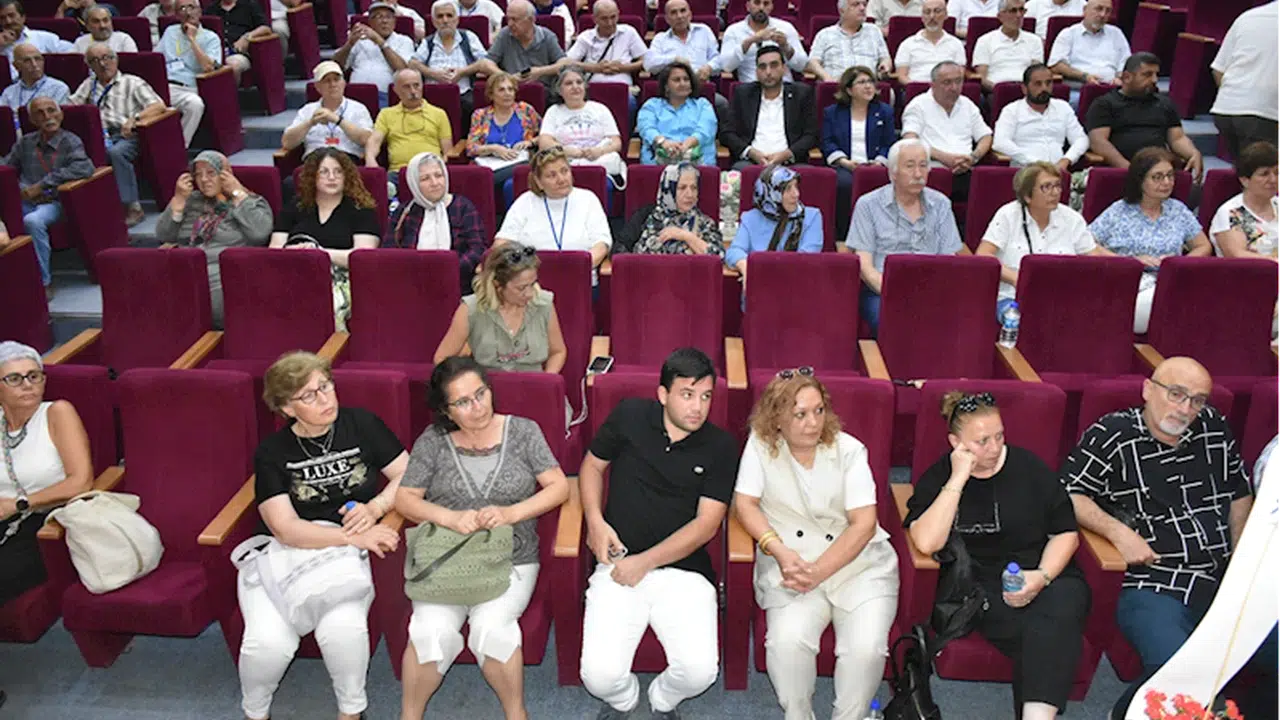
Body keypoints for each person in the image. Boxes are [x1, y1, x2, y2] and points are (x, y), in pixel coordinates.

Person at [1061, 356, 1254, 718]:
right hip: (1153, 583)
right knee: (1181, 676)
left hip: (1219, 578)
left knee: (1267, 658)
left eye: (1197, 400)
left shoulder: (1213, 426)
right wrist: (1118, 532)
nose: (1185, 409)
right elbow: (1068, 493)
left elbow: (1239, 492)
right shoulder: (1114, 433)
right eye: (1176, 394)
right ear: (1148, 390)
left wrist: (1243, 562)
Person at [396, 356, 570, 720]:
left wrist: (510, 513)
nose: (478, 407)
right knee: (429, 633)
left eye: (481, 393)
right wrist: (450, 518)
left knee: (493, 630)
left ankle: (515, 713)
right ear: (446, 410)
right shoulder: (433, 441)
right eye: (463, 402)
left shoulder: (523, 431)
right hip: (445, 555)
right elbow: (405, 500)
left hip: (511, 556)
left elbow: (558, 488)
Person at [906, 390, 1091, 720]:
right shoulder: (940, 476)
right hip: (985, 588)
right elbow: (927, 542)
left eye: (999, 436)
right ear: (956, 443)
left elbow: (1065, 533)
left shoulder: (1030, 469)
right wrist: (958, 478)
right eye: (981, 442)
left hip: (1048, 573)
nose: (994, 449)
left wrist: (1041, 577)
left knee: (1060, 605)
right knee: (1049, 631)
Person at [243, 351, 407, 720]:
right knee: (268, 645)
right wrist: (352, 539)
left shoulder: (362, 424)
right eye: (309, 395)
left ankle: (351, 713)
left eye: (326, 386)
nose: (325, 399)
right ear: (287, 408)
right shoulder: (272, 452)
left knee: (344, 630)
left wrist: (375, 508)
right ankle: (255, 712)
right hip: (285, 553)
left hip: (343, 556)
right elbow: (284, 527)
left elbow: (408, 474)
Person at [578, 347, 738, 720]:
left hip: (685, 572)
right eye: (687, 394)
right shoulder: (630, 416)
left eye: (706, 396)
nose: (698, 407)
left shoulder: (722, 446)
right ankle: (624, 700)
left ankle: (663, 700)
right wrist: (595, 522)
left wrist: (645, 563)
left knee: (700, 673)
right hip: (618, 563)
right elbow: (591, 466)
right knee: (598, 678)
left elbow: (706, 525)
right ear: (663, 394)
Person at [733, 369, 900, 720]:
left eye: (818, 410)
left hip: (858, 565)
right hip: (792, 566)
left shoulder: (849, 450)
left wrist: (818, 572)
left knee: (866, 649)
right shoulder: (761, 445)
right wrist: (778, 550)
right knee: (786, 644)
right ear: (777, 419)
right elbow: (744, 504)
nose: (813, 423)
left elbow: (864, 524)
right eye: (800, 414)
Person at [0, 341, 93, 609]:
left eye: (34, 376)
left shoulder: (56, 413)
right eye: (15, 379)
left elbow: (81, 482)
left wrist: (19, 504)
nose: (27, 385)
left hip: (44, 524)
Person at [1088, 147, 1212, 333]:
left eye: (1170, 176)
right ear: (1140, 180)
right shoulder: (1119, 211)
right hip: (1129, 283)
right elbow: (1087, 244)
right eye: (1157, 177)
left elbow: (1203, 246)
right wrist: (1130, 261)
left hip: (1170, 281)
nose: (1166, 182)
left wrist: (1178, 263)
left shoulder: (1178, 210)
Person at [847, 138, 965, 331]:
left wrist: (931, 295)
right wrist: (898, 293)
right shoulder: (868, 205)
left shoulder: (941, 204)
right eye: (910, 166)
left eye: (923, 166)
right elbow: (865, 267)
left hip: (931, 290)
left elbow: (949, 259)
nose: (918, 174)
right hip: (882, 290)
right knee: (895, 321)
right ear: (893, 172)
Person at [156, 150, 272, 326]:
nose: (204, 179)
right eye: (198, 174)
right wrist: (178, 201)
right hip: (184, 273)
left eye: (211, 173)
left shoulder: (249, 202)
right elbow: (164, 235)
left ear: (226, 174)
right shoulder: (190, 201)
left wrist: (236, 193)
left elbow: (260, 233)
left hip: (223, 279)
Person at [272, 148, 381, 333]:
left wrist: (318, 253)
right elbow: (274, 251)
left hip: (343, 281)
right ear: (312, 176)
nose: (332, 177)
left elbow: (362, 257)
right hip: (295, 275)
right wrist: (297, 252)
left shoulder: (361, 209)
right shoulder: (294, 207)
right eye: (324, 172)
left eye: (338, 172)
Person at [976, 161, 1110, 301]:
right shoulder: (1008, 215)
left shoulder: (1072, 219)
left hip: (1062, 298)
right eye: (1047, 187)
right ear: (1027, 196)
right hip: (1013, 297)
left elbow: (1094, 259)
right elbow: (983, 254)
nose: (1055, 192)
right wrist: (1017, 279)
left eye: (1057, 185)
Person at [432, 242, 569, 374]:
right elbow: (441, 359)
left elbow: (558, 352)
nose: (529, 293)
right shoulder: (471, 309)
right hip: (489, 387)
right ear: (497, 285)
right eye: (521, 288)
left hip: (535, 385)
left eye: (532, 284)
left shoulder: (544, 303)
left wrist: (547, 381)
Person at [69, 43, 164, 227]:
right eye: (95, 60)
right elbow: (71, 106)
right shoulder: (89, 85)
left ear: (116, 59)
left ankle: (133, 207)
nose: (102, 64)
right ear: (89, 66)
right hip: (98, 136)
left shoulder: (132, 82)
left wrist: (135, 119)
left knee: (116, 153)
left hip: (127, 135)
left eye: (107, 58)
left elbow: (158, 106)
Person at [3, 97, 93, 293]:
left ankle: (43, 283)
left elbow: (84, 168)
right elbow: (7, 168)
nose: (47, 116)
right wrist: (19, 189)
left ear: (60, 114)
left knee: (32, 222)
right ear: (32, 120)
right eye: (40, 113)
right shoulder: (26, 142)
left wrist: (43, 185)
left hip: (55, 202)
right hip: (25, 199)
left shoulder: (70, 141)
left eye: (51, 110)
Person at [494, 147, 611, 280]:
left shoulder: (588, 199)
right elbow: (502, 243)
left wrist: (572, 270)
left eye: (564, 171)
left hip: (579, 279)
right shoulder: (525, 202)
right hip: (531, 283)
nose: (561, 179)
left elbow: (602, 245)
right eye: (552, 175)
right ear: (538, 182)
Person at [1085, 52, 1204, 181]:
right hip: (1122, 170)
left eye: (1156, 74)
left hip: (1159, 169)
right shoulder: (1104, 104)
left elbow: (1177, 139)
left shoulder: (1164, 103)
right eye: (1147, 75)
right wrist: (1129, 170)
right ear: (1127, 77)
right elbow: (1099, 142)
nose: (1154, 80)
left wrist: (1193, 153)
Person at [384, 152, 489, 293]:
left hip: (458, 285)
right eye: (425, 178)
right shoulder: (404, 211)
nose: (434, 183)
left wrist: (445, 270)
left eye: (438, 175)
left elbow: (478, 249)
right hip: (411, 285)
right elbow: (389, 252)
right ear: (414, 183)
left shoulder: (462, 206)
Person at [822, 65, 896, 241]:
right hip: (845, 165)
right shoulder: (833, 113)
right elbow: (827, 142)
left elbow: (889, 143)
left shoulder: (884, 111)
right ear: (849, 90)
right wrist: (844, 161)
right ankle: (844, 235)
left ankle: (881, 235)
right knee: (844, 184)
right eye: (862, 82)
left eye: (870, 81)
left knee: (884, 183)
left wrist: (879, 162)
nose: (868, 86)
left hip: (876, 165)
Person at [901, 61, 993, 200]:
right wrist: (945, 158)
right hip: (931, 172)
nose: (954, 87)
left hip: (965, 170)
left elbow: (986, 136)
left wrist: (973, 157)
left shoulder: (967, 105)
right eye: (947, 82)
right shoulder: (918, 105)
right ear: (933, 84)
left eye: (958, 81)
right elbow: (910, 140)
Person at [721, 45, 820, 171]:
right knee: (741, 170)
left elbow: (811, 135)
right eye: (762, 67)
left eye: (774, 65)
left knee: (806, 173)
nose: (768, 72)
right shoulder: (743, 94)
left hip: (790, 163)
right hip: (752, 163)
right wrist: (750, 152)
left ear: (784, 68)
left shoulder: (801, 94)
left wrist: (787, 154)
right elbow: (727, 133)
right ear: (756, 72)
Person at [726, 165, 823, 280]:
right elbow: (734, 251)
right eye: (788, 189)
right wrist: (746, 268)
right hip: (758, 282)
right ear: (771, 193)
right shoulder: (751, 218)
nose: (796, 194)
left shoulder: (812, 217)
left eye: (796, 186)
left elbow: (807, 259)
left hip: (797, 282)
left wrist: (764, 272)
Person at [1209, 1, 1278, 161]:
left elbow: (1218, 69)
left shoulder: (1248, 16)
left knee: (1247, 171)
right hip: (1265, 114)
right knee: (1267, 171)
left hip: (1227, 109)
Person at [536, 65, 626, 187]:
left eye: (579, 82)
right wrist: (567, 151)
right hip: (566, 163)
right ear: (559, 90)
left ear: (585, 86)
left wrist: (599, 151)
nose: (575, 87)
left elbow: (616, 142)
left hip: (598, 162)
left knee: (605, 185)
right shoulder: (553, 111)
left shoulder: (600, 109)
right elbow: (544, 143)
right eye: (569, 83)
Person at [992, 63, 1088, 168]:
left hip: (1057, 171)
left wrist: (1067, 159)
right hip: (1025, 171)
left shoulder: (1063, 107)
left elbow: (1081, 139)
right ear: (1024, 88)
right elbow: (1000, 143)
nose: (1044, 88)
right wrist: (1033, 163)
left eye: (1048, 83)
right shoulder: (1011, 110)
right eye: (1038, 84)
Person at [366, 68, 453, 183]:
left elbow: (447, 151)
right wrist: (370, 158)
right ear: (396, 90)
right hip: (398, 173)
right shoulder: (386, 114)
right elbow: (374, 141)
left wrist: (438, 169)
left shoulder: (439, 114)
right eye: (406, 87)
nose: (413, 91)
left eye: (416, 85)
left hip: (429, 172)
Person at [616, 162, 724, 256]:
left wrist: (686, 236)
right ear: (668, 189)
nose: (690, 194)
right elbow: (619, 251)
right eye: (682, 188)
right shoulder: (647, 216)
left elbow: (718, 256)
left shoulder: (704, 222)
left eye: (694, 188)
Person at [465, 71, 541, 203]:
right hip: (491, 164)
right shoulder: (480, 115)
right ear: (491, 94)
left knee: (510, 184)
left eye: (510, 89)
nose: (507, 93)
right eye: (501, 90)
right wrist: (494, 148)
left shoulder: (525, 110)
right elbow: (471, 148)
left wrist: (531, 142)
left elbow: (546, 135)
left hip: (521, 163)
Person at [281, 61, 375, 166]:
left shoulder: (358, 108)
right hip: (314, 161)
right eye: (327, 81)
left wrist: (337, 120)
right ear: (317, 87)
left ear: (344, 83)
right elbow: (287, 143)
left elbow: (367, 140)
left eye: (336, 79)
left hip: (346, 160)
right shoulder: (307, 110)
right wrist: (310, 123)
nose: (333, 84)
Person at [409, 0, 489, 123]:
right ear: (434, 22)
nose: (445, 20)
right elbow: (412, 63)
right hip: (433, 96)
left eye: (449, 15)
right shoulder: (428, 42)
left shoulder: (468, 37)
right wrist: (433, 74)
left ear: (457, 20)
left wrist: (462, 72)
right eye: (440, 16)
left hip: (463, 95)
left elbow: (485, 62)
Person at [565, 0, 646, 114]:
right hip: (592, 89)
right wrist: (595, 68)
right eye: (604, 18)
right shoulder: (586, 37)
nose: (610, 23)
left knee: (630, 104)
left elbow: (646, 61)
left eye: (613, 17)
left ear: (618, 14)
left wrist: (623, 68)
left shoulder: (629, 32)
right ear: (594, 19)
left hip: (623, 88)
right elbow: (567, 62)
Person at [160, 0, 221, 146]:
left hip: (188, 88)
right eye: (182, 8)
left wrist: (192, 39)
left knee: (195, 105)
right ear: (176, 15)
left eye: (191, 7)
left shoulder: (210, 37)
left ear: (200, 11)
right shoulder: (170, 32)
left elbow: (208, 67)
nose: (188, 12)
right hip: (164, 86)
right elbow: (155, 59)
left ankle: (179, 148)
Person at [636, 60, 717, 167]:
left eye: (686, 79)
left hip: (697, 165)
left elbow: (705, 130)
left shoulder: (703, 105)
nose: (683, 83)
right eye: (676, 80)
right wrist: (663, 143)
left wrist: (687, 144)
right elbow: (646, 128)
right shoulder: (652, 105)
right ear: (666, 86)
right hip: (658, 165)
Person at [480, 0, 565, 99]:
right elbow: (486, 64)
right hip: (511, 92)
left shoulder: (547, 36)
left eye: (515, 19)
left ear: (531, 20)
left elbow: (565, 63)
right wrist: (508, 77)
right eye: (508, 19)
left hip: (543, 93)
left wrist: (540, 71)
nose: (510, 24)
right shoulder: (504, 34)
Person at [1210, 141, 1280, 260]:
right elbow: (1237, 256)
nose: (1273, 180)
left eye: (1277, 173)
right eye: (1264, 174)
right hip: (1254, 271)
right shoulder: (1230, 213)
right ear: (1245, 180)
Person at [335, 1, 413, 108]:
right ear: (370, 22)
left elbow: (403, 70)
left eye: (388, 17)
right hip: (354, 95)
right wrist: (349, 44)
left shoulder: (404, 41)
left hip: (385, 96)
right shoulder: (359, 40)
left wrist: (380, 42)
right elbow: (336, 65)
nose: (384, 21)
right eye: (379, 17)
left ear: (394, 22)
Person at [719, 0, 808, 83]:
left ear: (771, 7)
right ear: (748, 6)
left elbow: (801, 65)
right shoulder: (733, 31)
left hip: (784, 85)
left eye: (766, 3)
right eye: (757, 3)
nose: (761, 8)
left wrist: (786, 46)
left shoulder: (786, 28)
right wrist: (749, 41)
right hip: (751, 86)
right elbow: (727, 66)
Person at [805, 0, 892, 82]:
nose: (862, 8)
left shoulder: (874, 31)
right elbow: (813, 62)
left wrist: (885, 65)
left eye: (864, 4)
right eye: (856, 4)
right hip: (837, 84)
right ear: (842, 11)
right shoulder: (825, 34)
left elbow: (885, 58)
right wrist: (826, 77)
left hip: (867, 85)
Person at [1047, 0, 1128, 87]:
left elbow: (1126, 62)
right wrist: (1084, 77)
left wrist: (1120, 77)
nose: (1103, 15)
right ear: (1085, 10)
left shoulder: (1116, 34)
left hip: (1110, 89)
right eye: (1099, 9)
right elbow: (1056, 65)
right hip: (1078, 89)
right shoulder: (1068, 34)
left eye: (1108, 11)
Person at [643, 0, 720, 89]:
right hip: (672, 90)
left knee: (720, 99)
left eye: (683, 11)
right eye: (673, 12)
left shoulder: (704, 31)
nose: (679, 16)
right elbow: (649, 64)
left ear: (690, 15)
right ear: (667, 19)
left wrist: (709, 67)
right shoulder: (660, 39)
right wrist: (674, 60)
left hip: (700, 86)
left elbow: (718, 59)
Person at [972, 0, 1043, 90]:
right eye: (1013, 11)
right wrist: (999, 90)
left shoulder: (1035, 40)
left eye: (1021, 10)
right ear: (1000, 16)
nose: (1018, 15)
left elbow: (1036, 74)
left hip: (1027, 91)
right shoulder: (985, 41)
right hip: (995, 90)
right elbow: (982, 78)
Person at [893, 0, 964, 84]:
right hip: (916, 88)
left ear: (946, 15)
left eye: (937, 11)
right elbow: (901, 76)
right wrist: (916, 87)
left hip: (946, 89)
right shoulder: (907, 44)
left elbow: (960, 75)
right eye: (927, 12)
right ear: (922, 17)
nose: (932, 16)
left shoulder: (956, 44)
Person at [0, 0, 74, 80]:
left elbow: (75, 52)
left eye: (11, 16)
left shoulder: (43, 38)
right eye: (2, 18)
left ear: (23, 17)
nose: (8, 21)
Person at [204, 0, 272, 83]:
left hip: (238, 53)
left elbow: (266, 28)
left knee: (232, 65)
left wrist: (246, 37)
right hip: (216, 52)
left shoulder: (249, 5)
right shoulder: (211, 9)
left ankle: (229, 91)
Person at [0, 44, 69, 110]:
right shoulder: (9, 92)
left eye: (37, 59)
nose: (34, 64)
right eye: (27, 61)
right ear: (16, 66)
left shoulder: (59, 88)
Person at [71, 5, 137, 53]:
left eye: (105, 20)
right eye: (96, 21)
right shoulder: (80, 42)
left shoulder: (124, 39)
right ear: (87, 26)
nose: (102, 26)